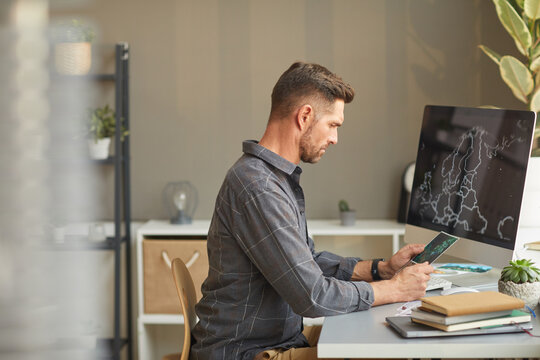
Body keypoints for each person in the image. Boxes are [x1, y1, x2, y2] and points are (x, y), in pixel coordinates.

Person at [190, 62, 434, 360]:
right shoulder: (258, 187)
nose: (335, 138)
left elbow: (306, 263)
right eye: (332, 125)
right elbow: (313, 296)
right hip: (248, 352)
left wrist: (380, 270)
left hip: (279, 340)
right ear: (305, 116)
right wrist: (394, 290)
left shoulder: (272, 178)